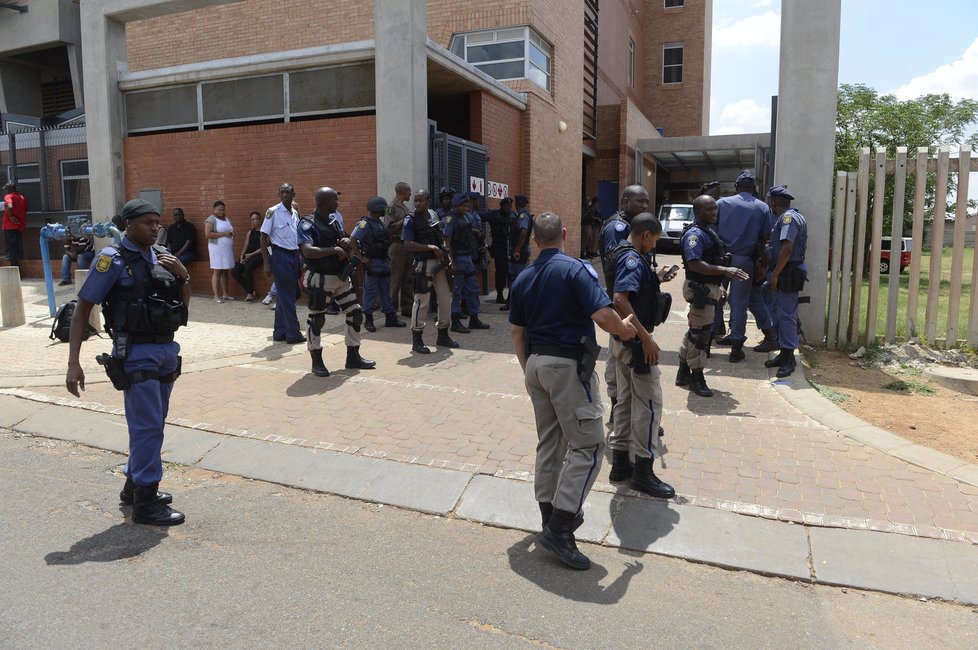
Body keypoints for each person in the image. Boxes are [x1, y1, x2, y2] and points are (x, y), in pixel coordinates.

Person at [508, 211, 637, 570]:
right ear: (564, 234)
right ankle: (561, 527)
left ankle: (549, 518)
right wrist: (626, 330)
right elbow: (603, 315)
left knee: (550, 444)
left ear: (535, 240)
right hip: (565, 366)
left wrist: (529, 370)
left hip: (535, 365)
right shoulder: (575, 269)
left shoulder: (524, 278)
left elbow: (516, 332)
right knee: (590, 445)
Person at [65, 198, 191, 526]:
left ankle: (134, 484)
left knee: (153, 424)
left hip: (165, 350)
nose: (155, 227)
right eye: (147, 222)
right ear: (128, 225)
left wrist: (184, 277)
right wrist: (73, 363)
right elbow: (82, 310)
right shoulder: (112, 259)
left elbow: (182, 308)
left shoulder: (160, 257)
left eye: (157, 222)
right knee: (147, 427)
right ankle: (146, 503)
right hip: (136, 353)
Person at [607, 213, 677, 497]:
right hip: (635, 345)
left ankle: (620, 463)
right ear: (646, 234)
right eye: (655, 240)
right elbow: (620, 299)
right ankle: (643, 473)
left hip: (622, 342)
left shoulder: (623, 253)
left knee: (623, 404)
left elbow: (629, 292)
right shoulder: (633, 258)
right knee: (649, 406)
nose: (653, 246)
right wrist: (647, 338)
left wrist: (655, 277)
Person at [676, 195, 749, 397]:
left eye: (715, 209)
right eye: (709, 209)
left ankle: (683, 371)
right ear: (698, 212)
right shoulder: (695, 235)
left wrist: (720, 286)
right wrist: (725, 271)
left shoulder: (708, 232)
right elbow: (694, 263)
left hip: (709, 287)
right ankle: (697, 377)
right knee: (701, 337)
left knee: (695, 332)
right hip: (700, 289)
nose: (714, 212)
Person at [298, 187, 375, 376]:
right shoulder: (307, 224)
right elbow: (307, 251)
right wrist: (334, 250)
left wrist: (345, 242)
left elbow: (341, 240)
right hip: (320, 278)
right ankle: (316, 361)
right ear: (325, 202)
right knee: (317, 319)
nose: (338, 203)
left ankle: (353, 357)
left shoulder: (333, 221)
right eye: (335, 200)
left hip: (340, 276)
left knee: (356, 313)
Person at [597, 185, 649, 423]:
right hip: (622, 304)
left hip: (625, 303)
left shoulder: (629, 226)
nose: (645, 206)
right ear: (625, 201)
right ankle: (622, 412)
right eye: (641, 202)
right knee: (624, 360)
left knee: (616, 359)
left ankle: (620, 411)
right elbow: (619, 268)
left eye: (647, 202)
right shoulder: (618, 228)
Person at [714, 170, 777, 361]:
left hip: (720, 259)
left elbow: (710, 229)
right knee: (739, 302)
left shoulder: (721, 203)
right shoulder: (762, 207)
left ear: (736, 186)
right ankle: (736, 347)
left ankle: (712, 337)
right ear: (754, 188)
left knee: (714, 297)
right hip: (745, 260)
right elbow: (767, 234)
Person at [402, 189, 457, 353]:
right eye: (415, 201)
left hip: (440, 263)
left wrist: (448, 256)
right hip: (423, 264)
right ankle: (417, 339)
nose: (417, 203)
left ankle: (443, 334)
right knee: (421, 301)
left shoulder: (433, 215)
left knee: (446, 298)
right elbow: (407, 245)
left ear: (428, 200)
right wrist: (430, 248)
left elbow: (441, 237)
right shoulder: (410, 220)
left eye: (421, 200)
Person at [763, 185, 808, 378]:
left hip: (787, 272)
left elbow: (787, 249)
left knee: (787, 316)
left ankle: (789, 359)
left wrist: (775, 275)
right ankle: (783, 354)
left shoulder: (789, 219)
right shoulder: (789, 217)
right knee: (781, 314)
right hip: (785, 270)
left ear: (774, 202)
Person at [351, 196, 406, 332]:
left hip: (383, 260)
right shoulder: (365, 223)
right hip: (372, 261)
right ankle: (368, 319)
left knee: (385, 291)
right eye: (383, 209)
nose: (384, 212)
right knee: (370, 292)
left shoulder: (379, 223)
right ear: (378, 209)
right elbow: (353, 239)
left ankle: (390, 317)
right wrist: (361, 257)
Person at [260, 183, 305, 344]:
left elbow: (296, 239)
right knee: (287, 296)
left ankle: (280, 331)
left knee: (288, 294)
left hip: (294, 256)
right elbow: (263, 237)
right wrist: (266, 262)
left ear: (294, 194)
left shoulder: (294, 214)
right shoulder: (273, 212)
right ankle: (293, 333)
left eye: (288, 192)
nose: (285, 194)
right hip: (280, 256)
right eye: (282, 192)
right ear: (278, 194)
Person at [444, 192, 489, 333]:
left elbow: (467, 231)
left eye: (467, 205)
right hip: (457, 258)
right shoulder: (450, 219)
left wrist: (475, 232)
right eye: (463, 205)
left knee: (473, 288)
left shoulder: (467, 216)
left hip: (468, 257)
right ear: (455, 206)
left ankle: (474, 318)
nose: (466, 207)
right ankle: (455, 321)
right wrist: (451, 261)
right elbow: (447, 242)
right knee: (457, 291)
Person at [386, 182, 415, 318]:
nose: (410, 194)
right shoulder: (391, 207)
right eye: (409, 191)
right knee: (395, 280)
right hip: (397, 245)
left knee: (407, 279)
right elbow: (389, 228)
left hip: (407, 245)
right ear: (403, 192)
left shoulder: (405, 207)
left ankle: (407, 308)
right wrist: (405, 220)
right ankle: (391, 310)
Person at [499, 195, 532, 312]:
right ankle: (511, 302)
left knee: (518, 277)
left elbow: (523, 231)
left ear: (518, 203)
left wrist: (517, 249)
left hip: (520, 251)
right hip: (519, 250)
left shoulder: (523, 216)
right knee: (513, 277)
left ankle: (519, 304)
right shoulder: (519, 215)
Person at [204, 200, 235, 302]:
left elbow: (230, 230)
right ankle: (216, 296)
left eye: (223, 210)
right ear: (214, 210)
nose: (221, 212)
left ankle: (225, 293)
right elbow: (208, 234)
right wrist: (224, 234)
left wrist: (232, 234)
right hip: (216, 248)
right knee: (217, 270)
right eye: (219, 210)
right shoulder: (211, 219)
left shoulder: (227, 219)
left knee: (225, 270)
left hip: (226, 249)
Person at [485, 196, 512, 304]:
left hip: (509, 250)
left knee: (510, 274)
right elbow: (479, 217)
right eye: (507, 206)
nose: (509, 208)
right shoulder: (494, 215)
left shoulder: (512, 215)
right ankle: (499, 295)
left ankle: (510, 296)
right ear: (502, 206)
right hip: (499, 250)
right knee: (500, 274)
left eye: (510, 206)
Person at [231, 211, 264, 300]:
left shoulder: (264, 232)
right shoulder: (250, 232)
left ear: (260, 220)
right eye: (253, 219)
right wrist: (242, 256)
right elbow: (245, 245)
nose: (255, 221)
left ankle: (249, 294)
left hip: (259, 255)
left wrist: (251, 255)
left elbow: (263, 248)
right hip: (247, 255)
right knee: (235, 271)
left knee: (248, 269)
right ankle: (251, 291)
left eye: (257, 219)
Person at [59, 222, 94, 286]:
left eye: (70, 232)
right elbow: (66, 249)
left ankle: (82, 278)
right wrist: (71, 254)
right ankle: (66, 279)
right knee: (65, 257)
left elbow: (81, 250)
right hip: (77, 254)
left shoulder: (82, 237)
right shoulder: (69, 238)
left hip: (88, 254)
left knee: (80, 256)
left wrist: (71, 244)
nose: (69, 234)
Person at [2, 181, 27, 268]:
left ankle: (15, 268)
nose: (6, 191)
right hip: (19, 225)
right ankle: (21, 265)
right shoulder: (22, 197)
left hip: (9, 225)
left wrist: (11, 216)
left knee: (11, 248)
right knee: (18, 246)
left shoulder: (9, 196)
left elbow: (10, 205)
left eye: (7, 189)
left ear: (10, 189)